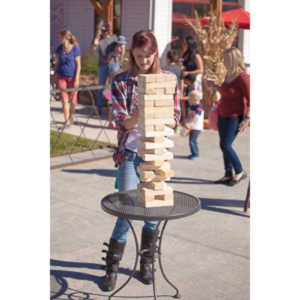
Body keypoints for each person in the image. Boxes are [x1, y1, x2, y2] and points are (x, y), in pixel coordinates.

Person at [101, 30, 181, 292]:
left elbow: (176, 118)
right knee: (125, 211)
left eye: (148, 56)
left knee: (153, 213)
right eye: (138, 57)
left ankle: (147, 264)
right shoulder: (122, 81)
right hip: (131, 154)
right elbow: (123, 122)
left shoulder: (168, 80)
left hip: (157, 153)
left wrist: (165, 115)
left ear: (155, 53)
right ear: (131, 55)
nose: (143, 61)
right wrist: (141, 111)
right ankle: (112, 268)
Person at [206, 47, 250, 186]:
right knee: (223, 144)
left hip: (235, 116)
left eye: (225, 59)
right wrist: (215, 85)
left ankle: (239, 171)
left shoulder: (243, 77)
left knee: (226, 145)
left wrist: (247, 119)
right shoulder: (228, 74)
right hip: (223, 113)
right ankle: (228, 173)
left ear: (233, 60)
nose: (223, 61)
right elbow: (227, 91)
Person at [88, 23, 117, 114]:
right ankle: (98, 108)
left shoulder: (114, 38)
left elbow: (119, 49)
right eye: (102, 30)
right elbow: (90, 52)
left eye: (105, 30)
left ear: (109, 30)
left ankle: (115, 109)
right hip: (102, 66)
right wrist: (95, 45)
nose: (104, 32)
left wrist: (114, 54)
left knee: (115, 86)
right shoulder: (98, 39)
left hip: (113, 64)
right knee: (101, 86)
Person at [55, 29, 81, 127]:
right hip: (61, 76)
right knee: (64, 99)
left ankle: (71, 116)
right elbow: (57, 63)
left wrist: (77, 78)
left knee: (73, 100)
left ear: (64, 37)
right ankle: (67, 120)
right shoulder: (59, 49)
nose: (58, 39)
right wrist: (54, 75)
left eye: (59, 37)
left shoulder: (75, 49)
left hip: (72, 77)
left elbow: (78, 65)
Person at [104, 36, 127, 128]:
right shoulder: (113, 56)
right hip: (112, 83)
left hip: (115, 83)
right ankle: (111, 121)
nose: (121, 48)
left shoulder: (119, 58)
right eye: (120, 46)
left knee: (114, 104)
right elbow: (112, 72)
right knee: (111, 104)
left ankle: (114, 120)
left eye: (123, 46)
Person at [184, 90, 204, 160]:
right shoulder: (192, 107)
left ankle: (195, 153)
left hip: (197, 127)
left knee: (192, 141)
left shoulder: (199, 107)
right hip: (192, 127)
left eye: (190, 99)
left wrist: (191, 123)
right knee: (191, 140)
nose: (188, 101)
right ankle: (193, 153)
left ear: (195, 99)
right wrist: (186, 121)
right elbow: (190, 116)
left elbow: (196, 116)